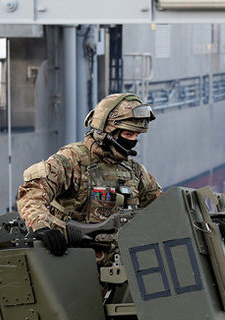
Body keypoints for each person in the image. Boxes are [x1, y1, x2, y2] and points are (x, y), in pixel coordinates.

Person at [17, 93, 163, 259]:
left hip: (124, 264)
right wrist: (41, 226)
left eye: (136, 136)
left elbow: (163, 207)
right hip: (74, 262)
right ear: (106, 132)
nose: (133, 141)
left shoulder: (135, 172)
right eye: (128, 135)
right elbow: (32, 193)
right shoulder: (72, 160)